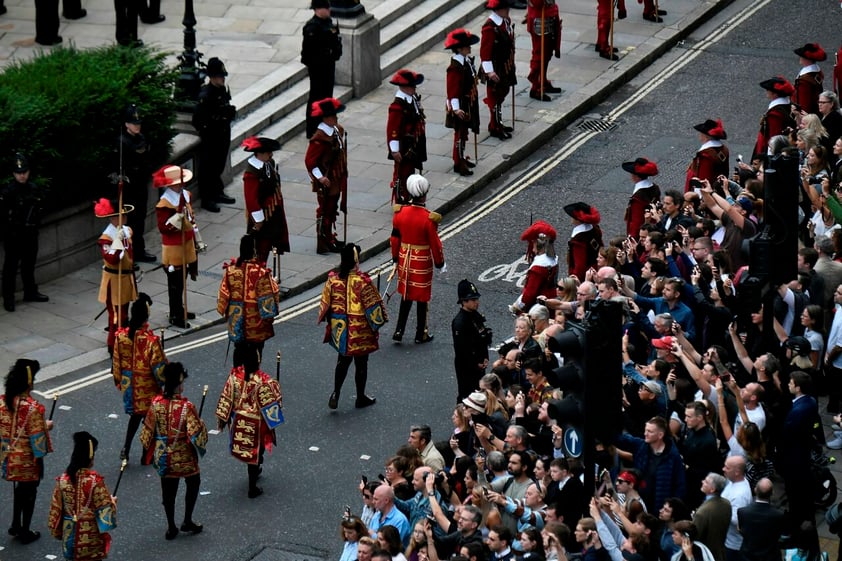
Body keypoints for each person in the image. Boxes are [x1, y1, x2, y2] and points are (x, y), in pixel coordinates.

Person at [140, 362, 207, 540]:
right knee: (194, 481)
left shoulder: (156, 405)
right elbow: (197, 436)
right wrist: (202, 426)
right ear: (179, 382)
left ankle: (171, 526)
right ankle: (187, 519)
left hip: (164, 456)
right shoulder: (187, 407)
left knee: (168, 492)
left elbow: (146, 435)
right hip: (184, 455)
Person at [318, 243, 386, 409]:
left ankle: (336, 392)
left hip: (340, 329)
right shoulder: (363, 282)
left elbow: (325, 306)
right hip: (359, 330)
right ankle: (360, 396)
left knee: (342, 361)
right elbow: (374, 310)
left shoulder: (332, 280)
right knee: (361, 364)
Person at [215, 344, 283, 499]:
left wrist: (222, 419)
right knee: (257, 453)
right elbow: (273, 406)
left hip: (239, 420)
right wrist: (277, 389)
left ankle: (255, 471)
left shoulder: (234, 377)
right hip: (257, 423)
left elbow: (226, 398)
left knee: (251, 453)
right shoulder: (263, 382)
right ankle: (252, 488)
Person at [0, 358, 53, 545]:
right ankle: (24, 530)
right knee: (29, 492)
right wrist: (47, 427)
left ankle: (15, 523)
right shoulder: (33, 408)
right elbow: (38, 442)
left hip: (8, 457)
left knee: (19, 490)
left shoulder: (3, 403)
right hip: (27, 459)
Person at [389, 174, 445, 344]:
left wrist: (395, 258)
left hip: (405, 258)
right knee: (422, 297)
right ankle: (421, 333)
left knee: (406, 295)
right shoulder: (428, 219)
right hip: (421, 261)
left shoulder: (400, 213)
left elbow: (395, 239)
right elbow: (435, 244)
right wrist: (440, 262)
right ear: (424, 194)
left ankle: (399, 330)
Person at [112, 293, 166, 464]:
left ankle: (126, 448)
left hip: (129, 385)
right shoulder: (151, 340)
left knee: (134, 418)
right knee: (149, 421)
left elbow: (116, 363)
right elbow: (158, 368)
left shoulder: (120, 337)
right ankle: (145, 455)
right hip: (146, 385)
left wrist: (120, 381)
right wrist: (163, 383)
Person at [47, 432, 117, 561]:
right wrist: (112, 502)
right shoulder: (95, 481)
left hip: (69, 535)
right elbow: (106, 518)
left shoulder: (62, 480)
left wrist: (58, 533)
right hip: (91, 539)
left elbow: (55, 511)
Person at [1, 152, 49, 312]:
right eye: (19, 173)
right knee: (11, 267)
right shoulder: (8, 192)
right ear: (14, 173)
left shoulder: (33, 188)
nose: (22, 176)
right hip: (14, 235)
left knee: (29, 264)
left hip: (30, 233)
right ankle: (8, 298)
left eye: (24, 172)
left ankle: (30, 292)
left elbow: (40, 209)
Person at [217, 234, 280, 355]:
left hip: (236, 323)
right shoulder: (261, 273)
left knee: (239, 357)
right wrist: (274, 283)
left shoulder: (230, 271)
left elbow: (223, 296)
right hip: (256, 326)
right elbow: (268, 303)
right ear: (254, 250)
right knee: (255, 360)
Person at [154, 164, 200, 328]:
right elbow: (163, 227)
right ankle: (175, 314)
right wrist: (177, 221)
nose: (182, 185)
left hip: (187, 243)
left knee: (184, 278)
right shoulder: (164, 203)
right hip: (174, 247)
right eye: (179, 182)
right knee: (175, 283)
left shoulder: (185, 195)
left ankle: (181, 309)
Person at [192, 56, 237, 212]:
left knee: (219, 165)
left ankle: (218, 192)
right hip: (211, 137)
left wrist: (228, 114)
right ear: (212, 77)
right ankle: (207, 198)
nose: (222, 79)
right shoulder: (205, 96)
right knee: (208, 168)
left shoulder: (221, 90)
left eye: (223, 76)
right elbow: (199, 120)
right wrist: (216, 119)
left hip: (223, 134)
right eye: (219, 76)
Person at [95, 197, 138, 354]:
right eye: (121, 215)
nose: (125, 218)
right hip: (113, 280)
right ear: (113, 218)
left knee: (125, 312)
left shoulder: (127, 231)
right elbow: (111, 259)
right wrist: (117, 243)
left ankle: (124, 340)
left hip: (126, 277)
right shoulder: (106, 238)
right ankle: (113, 344)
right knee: (116, 315)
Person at [305, 97, 348, 254]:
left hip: (337, 178)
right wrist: (320, 178)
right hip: (327, 180)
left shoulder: (337, 130)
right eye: (333, 116)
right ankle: (324, 240)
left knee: (332, 208)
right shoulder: (319, 139)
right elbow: (310, 162)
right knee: (325, 210)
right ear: (326, 118)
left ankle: (330, 237)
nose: (336, 118)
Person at [241, 136, 291, 264]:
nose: (271, 154)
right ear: (260, 154)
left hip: (273, 211)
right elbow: (251, 199)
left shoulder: (269, 163)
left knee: (271, 242)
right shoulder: (251, 174)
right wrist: (258, 220)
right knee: (261, 246)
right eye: (269, 152)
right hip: (262, 214)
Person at [118, 104, 156, 262]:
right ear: (126, 124)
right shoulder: (122, 142)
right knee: (130, 221)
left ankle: (139, 250)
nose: (137, 126)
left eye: (138, 123)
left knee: (140, 219)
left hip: (140, 185)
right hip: (129, 188)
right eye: (134, 123)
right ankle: (130, 254)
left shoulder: (141, 138)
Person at [301, 0, 342, 139]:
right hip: (318, 68)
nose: (329, 10)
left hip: (329, 65)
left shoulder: (328, 23)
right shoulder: (312, 28)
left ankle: (326, 124)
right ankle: (313, 128)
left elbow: (336, 40)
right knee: (316, 97)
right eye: (327, 7)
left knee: (327, 96)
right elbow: (308, 52)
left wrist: (335, 53)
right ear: (319, 9)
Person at [387, 69, 427, 204]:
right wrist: (394, 150)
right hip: (404, 145)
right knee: (403, 173)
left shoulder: (412, 99)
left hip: (413, 143)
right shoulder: (397, 107)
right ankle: (401, 197)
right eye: (412, 86)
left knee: (410, 169)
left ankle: (409, 195)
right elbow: (392, 130)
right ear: (404, 87)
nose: (414, 88)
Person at [444, 28, 481, 176]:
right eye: (467, 45)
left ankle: (461, 158)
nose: (469, 47)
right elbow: (453, 91)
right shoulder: (455, 68)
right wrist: (456, 109)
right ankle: (458, 162)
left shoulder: (465, 62)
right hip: (460, 105)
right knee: (459, 134)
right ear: (459, 48)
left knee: (464, 133)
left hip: (468, 103)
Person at [480, 0, 517, 139]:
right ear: (497, 10)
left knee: (502, 93)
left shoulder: (505, 21)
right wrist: (489, 71)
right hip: (495, 67)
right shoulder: (489, 27)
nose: (508, 10)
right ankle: (495, 127)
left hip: (505, 65)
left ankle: (496, 123)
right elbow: (485, 52)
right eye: (504, 8)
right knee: (494, 98)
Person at [452, 279, 493, 401]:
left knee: (480, 393)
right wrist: (476, 363)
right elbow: (462, 350)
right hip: (467, 366)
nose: (477, 303)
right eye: (473, 300)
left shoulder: (476, 316)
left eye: (477, 299)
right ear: (464, 301)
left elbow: (483, 338)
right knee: (467, 395)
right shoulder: (459, 323)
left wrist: (485, 357)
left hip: (479, 363)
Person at [511, 221, 559, 314]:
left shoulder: (538, 268)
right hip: (552, 301)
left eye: (533, 242)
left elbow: (529, 294)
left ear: (538, 243)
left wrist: (518, 306)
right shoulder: (553, 260)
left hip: (537, 307)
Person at [736, 478, 786, 561]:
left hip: (748, 556)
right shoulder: (779, 515)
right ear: (772, 493)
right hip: (770, 557)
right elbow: (780, 533)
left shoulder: (742, 512)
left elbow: (740, 530)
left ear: (755, 490)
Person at [525, 0, 561, 100]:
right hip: (540, 18)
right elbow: (537, 3)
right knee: (539, 55)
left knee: (547, 53)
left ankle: (543, 81)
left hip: (549, 14)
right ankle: (535, 87)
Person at [753, 77, 796, 157]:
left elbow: (774, 137)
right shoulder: (788, 106)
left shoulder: (775, 114)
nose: (767, 91)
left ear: (775, 94)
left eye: (768, 90)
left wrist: (770, 156)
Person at [685, 120, 729, 193]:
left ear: (706, 136)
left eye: (701, 133)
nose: (699, 135)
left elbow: (704, 180)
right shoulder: (724, 149)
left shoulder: (706, 156)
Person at [564, 202, 603, 282]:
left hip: (586, 276)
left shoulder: (579, 240)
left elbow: (579, 266)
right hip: (596, 268)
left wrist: (574, 281)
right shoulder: (595, 228)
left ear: (578, 220)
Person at [793, 43, 827, 116]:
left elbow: (804, 105)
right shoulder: (817, 72)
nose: (800, 57)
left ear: (807, 59)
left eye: (801, 56)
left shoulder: (804, 81)